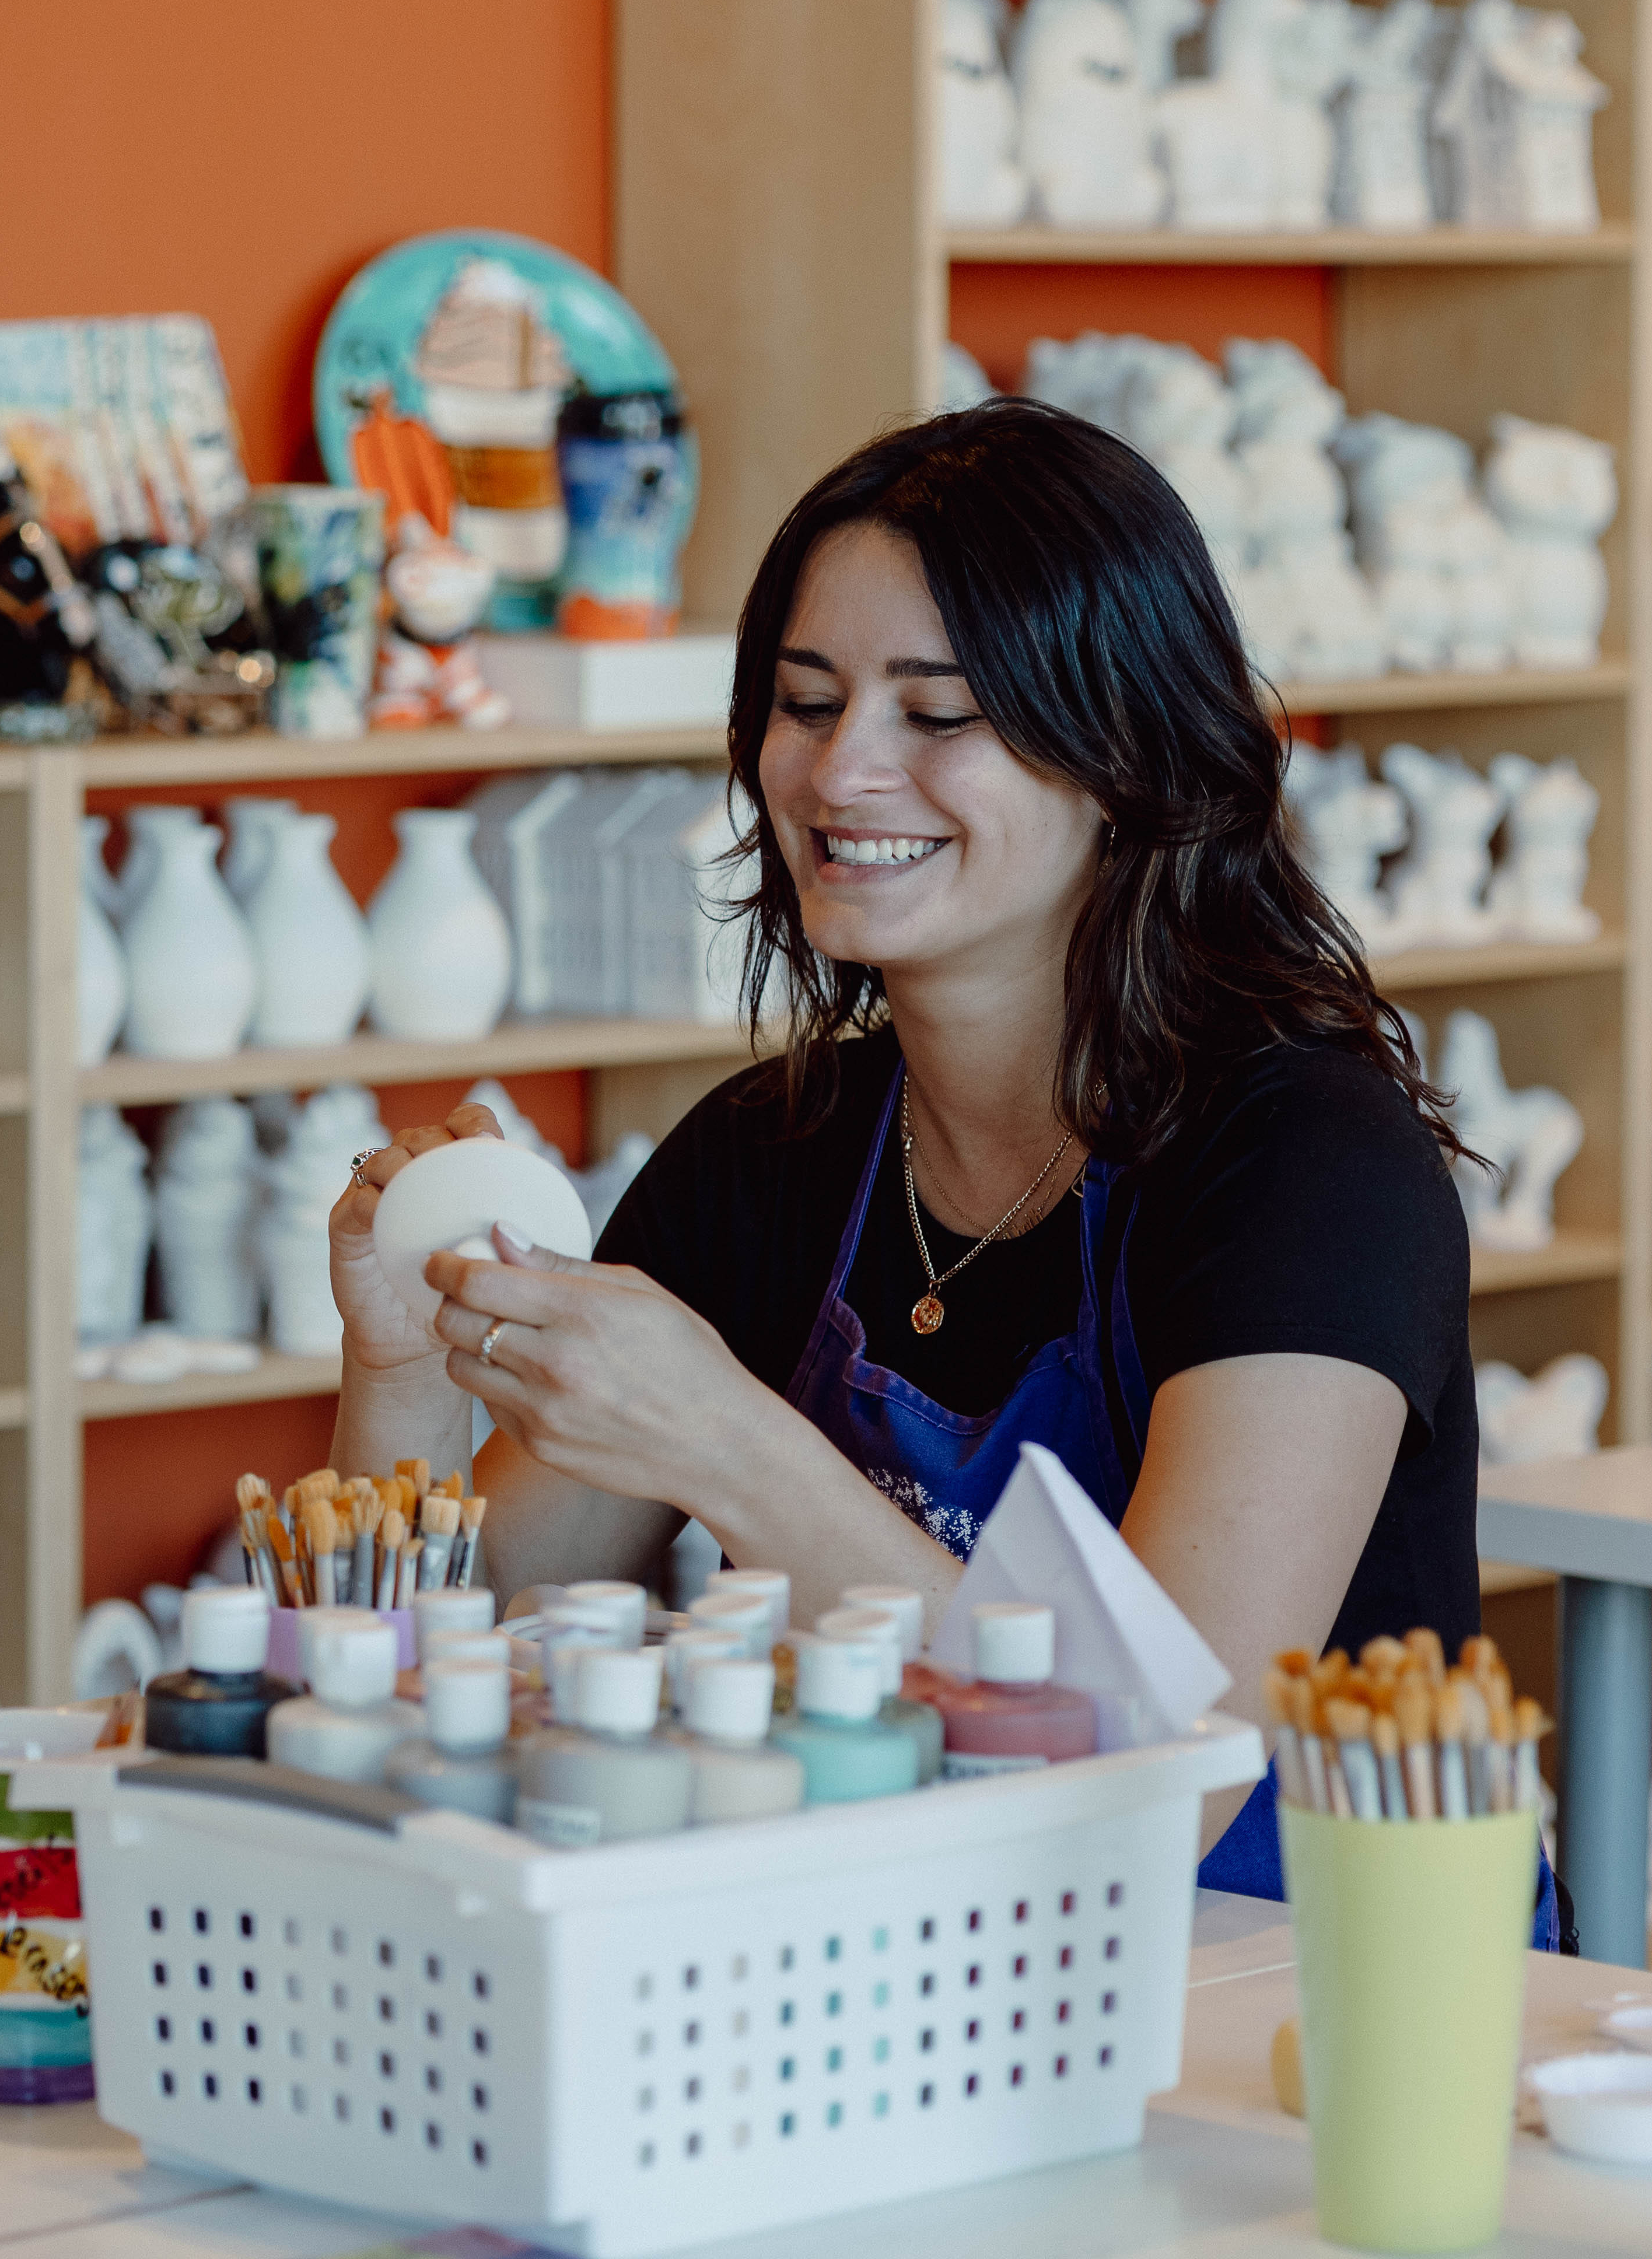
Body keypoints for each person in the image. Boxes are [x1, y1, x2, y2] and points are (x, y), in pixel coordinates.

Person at [328, 400, 1481, 1908]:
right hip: (920, 1985)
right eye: (807, 704)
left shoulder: (1311, 1167)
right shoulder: (771, 1155)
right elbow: (431, 1680)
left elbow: (1161, 1785)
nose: (840, 773)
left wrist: (727, 1445)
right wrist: (405, 1372)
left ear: (1125, 753)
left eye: (938, 718)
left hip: (1305, 2018)